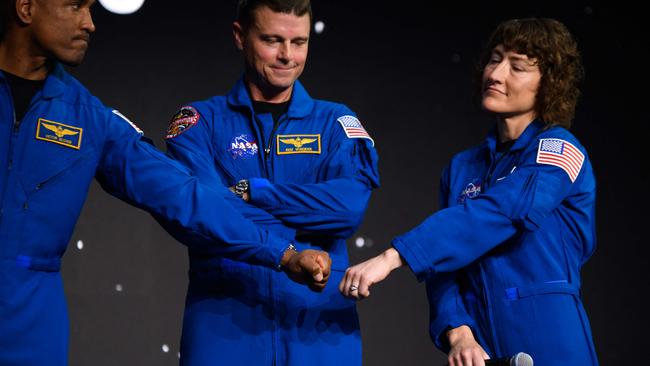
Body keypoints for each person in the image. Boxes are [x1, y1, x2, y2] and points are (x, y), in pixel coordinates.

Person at [0, 0, 332, 365]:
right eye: (75, 6)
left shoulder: (90, 119)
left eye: (91, 8)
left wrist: (283, 253)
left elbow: (186, 198)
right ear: (27, 7)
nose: (89, 23)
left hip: (32, 320)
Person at [340, 18, 598, 366]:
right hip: (482, 352)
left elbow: (502, 211)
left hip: (550, 341)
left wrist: (394, 256)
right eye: (495, 59)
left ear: (550, 84)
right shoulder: (461, 168)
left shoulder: (560, 150)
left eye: (517, 67)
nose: (496, 74)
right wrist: (459, 332)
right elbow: (445, 269)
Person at [164, 0, 379, 364]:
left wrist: (255, 193)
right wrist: (297, 234)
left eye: (300, 42)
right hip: (224, 331)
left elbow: (347, 209)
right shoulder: (200, 122)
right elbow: (204, 213)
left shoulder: (335, 122)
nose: (287, 56)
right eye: (272, 40)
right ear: (239, 36)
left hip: (321, 331)